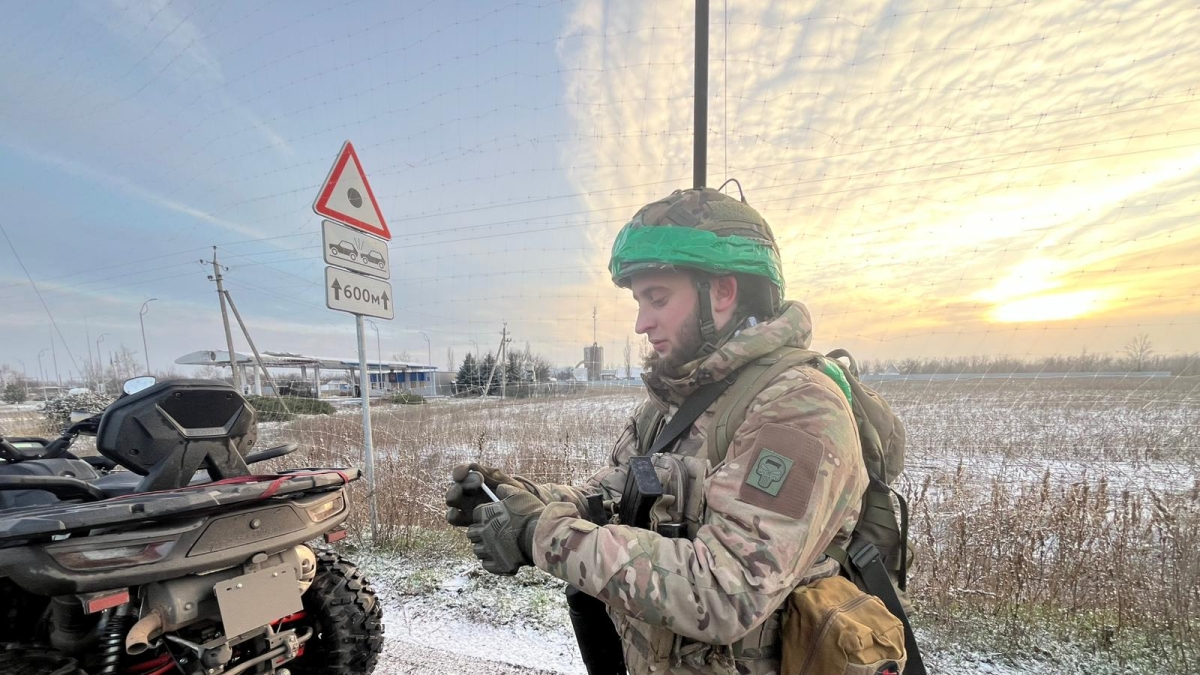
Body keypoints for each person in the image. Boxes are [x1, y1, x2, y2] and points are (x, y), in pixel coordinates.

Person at [446, 187, 868, 674]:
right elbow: (614, 492)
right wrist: (522, 500)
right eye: (639, 301)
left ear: (724, 291)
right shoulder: (670, 403)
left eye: (658, 298)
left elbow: (729, 589)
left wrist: (542, 535)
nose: (642, 323)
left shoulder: (799, 406)